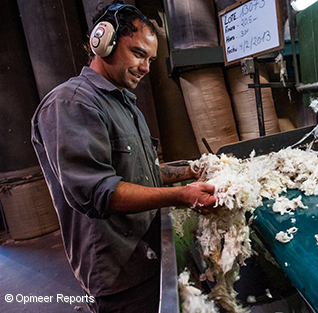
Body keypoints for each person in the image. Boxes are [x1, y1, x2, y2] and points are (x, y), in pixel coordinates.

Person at [31, 3, 218, 312]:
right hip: (118, 272)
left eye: (151, 59)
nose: (146, 67)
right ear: (103, 42)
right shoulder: (72, 103)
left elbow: (141, 173)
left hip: (147, 256)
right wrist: (182, 196)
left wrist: (192, 170)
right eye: (138, 53)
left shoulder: (124, 103)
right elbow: (98, 192)